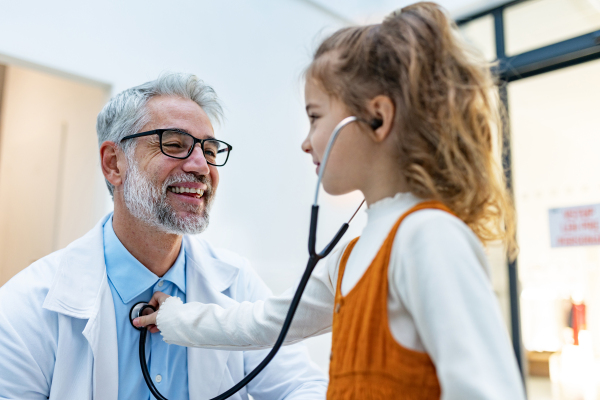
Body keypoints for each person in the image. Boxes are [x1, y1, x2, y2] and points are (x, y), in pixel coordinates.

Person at [134, 3, 527, 399]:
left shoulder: (428, 236)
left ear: (377, 117)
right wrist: (173, 317)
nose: (306, 142)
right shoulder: (350, 256)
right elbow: (263, 324)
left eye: (315, 117)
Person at [0, 73, 328, 399]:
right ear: (113, 164)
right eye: (174, 144)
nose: (202, 166)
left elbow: (303, 387)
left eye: (211, 151)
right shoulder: (24, 309)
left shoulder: (236, 283)